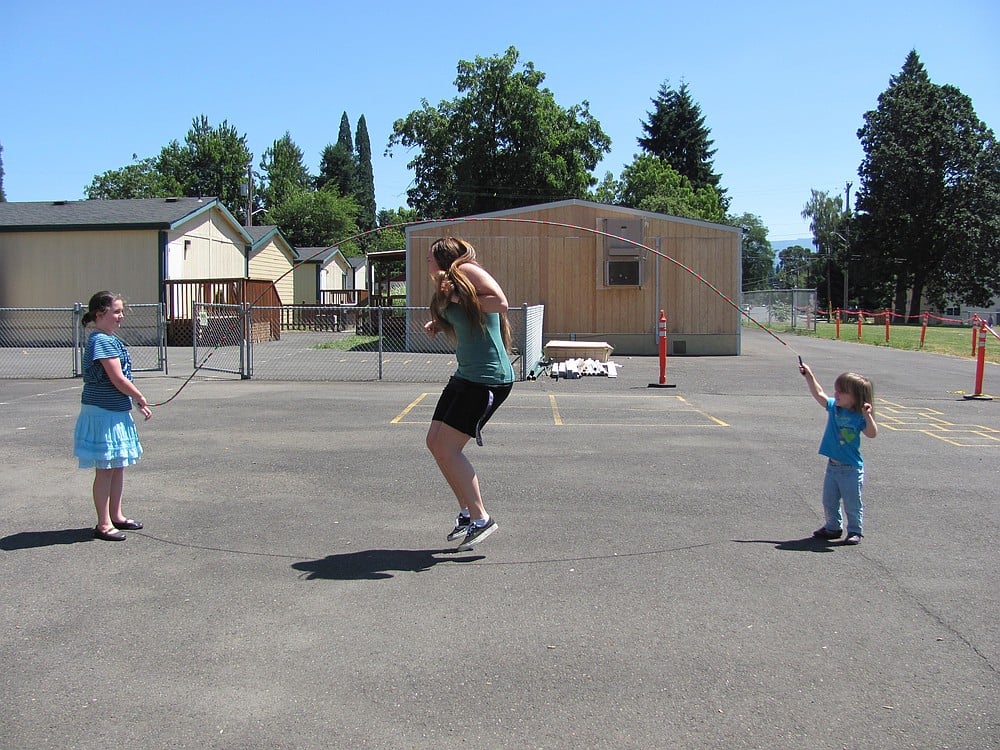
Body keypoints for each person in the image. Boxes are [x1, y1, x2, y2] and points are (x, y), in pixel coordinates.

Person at [423, 237, 514, 549]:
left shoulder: (467, 271)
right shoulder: (449, 284)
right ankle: (466, 512)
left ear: (443, 258)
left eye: (429, 258)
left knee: (449, 449)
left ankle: (481, 518)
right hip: (467, 375)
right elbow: (465, 318)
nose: (426, 263)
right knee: (434, 442)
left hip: (488, 380)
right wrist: (438, 322)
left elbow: (500, 303)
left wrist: (463, 298)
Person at [74, 291, 152, 541]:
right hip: (102, 413)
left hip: (115, 410)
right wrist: (139, 397)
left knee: (117, 466)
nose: (120, 317)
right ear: (100, 314)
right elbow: (117, 378)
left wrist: (132, 399)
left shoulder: (109, 338)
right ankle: (103, 523)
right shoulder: (101, 340)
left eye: (121, 311)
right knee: (106, 469)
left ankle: (116, 515)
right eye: (116, 311)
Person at [799, 361, 878, 545]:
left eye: (842, 392)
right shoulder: (834, 407)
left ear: (856, 397)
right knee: (829, 500)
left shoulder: (859, 415)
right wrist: (809, 375)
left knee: (852, 503)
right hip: (833, 466)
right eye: (836, 390)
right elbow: (819, 393)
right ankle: (833, 527)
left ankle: (855, 531)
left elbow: (872, 434)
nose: (836, 394)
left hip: (850, 469)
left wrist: (867, 415)